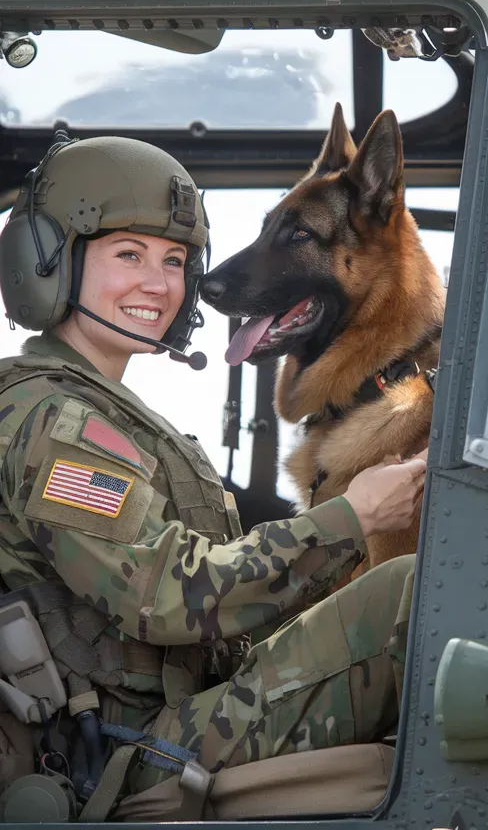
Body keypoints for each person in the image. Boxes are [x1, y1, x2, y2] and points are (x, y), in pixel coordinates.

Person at [0, 133, 426, 819]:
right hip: (123, 755)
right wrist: (353, 519)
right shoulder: (52, 419)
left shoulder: (114, 416)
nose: (157, 283)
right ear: (46, 264)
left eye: (174, 261)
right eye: (127, 255)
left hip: (175, 716)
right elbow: (164, 595)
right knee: (410, 597)